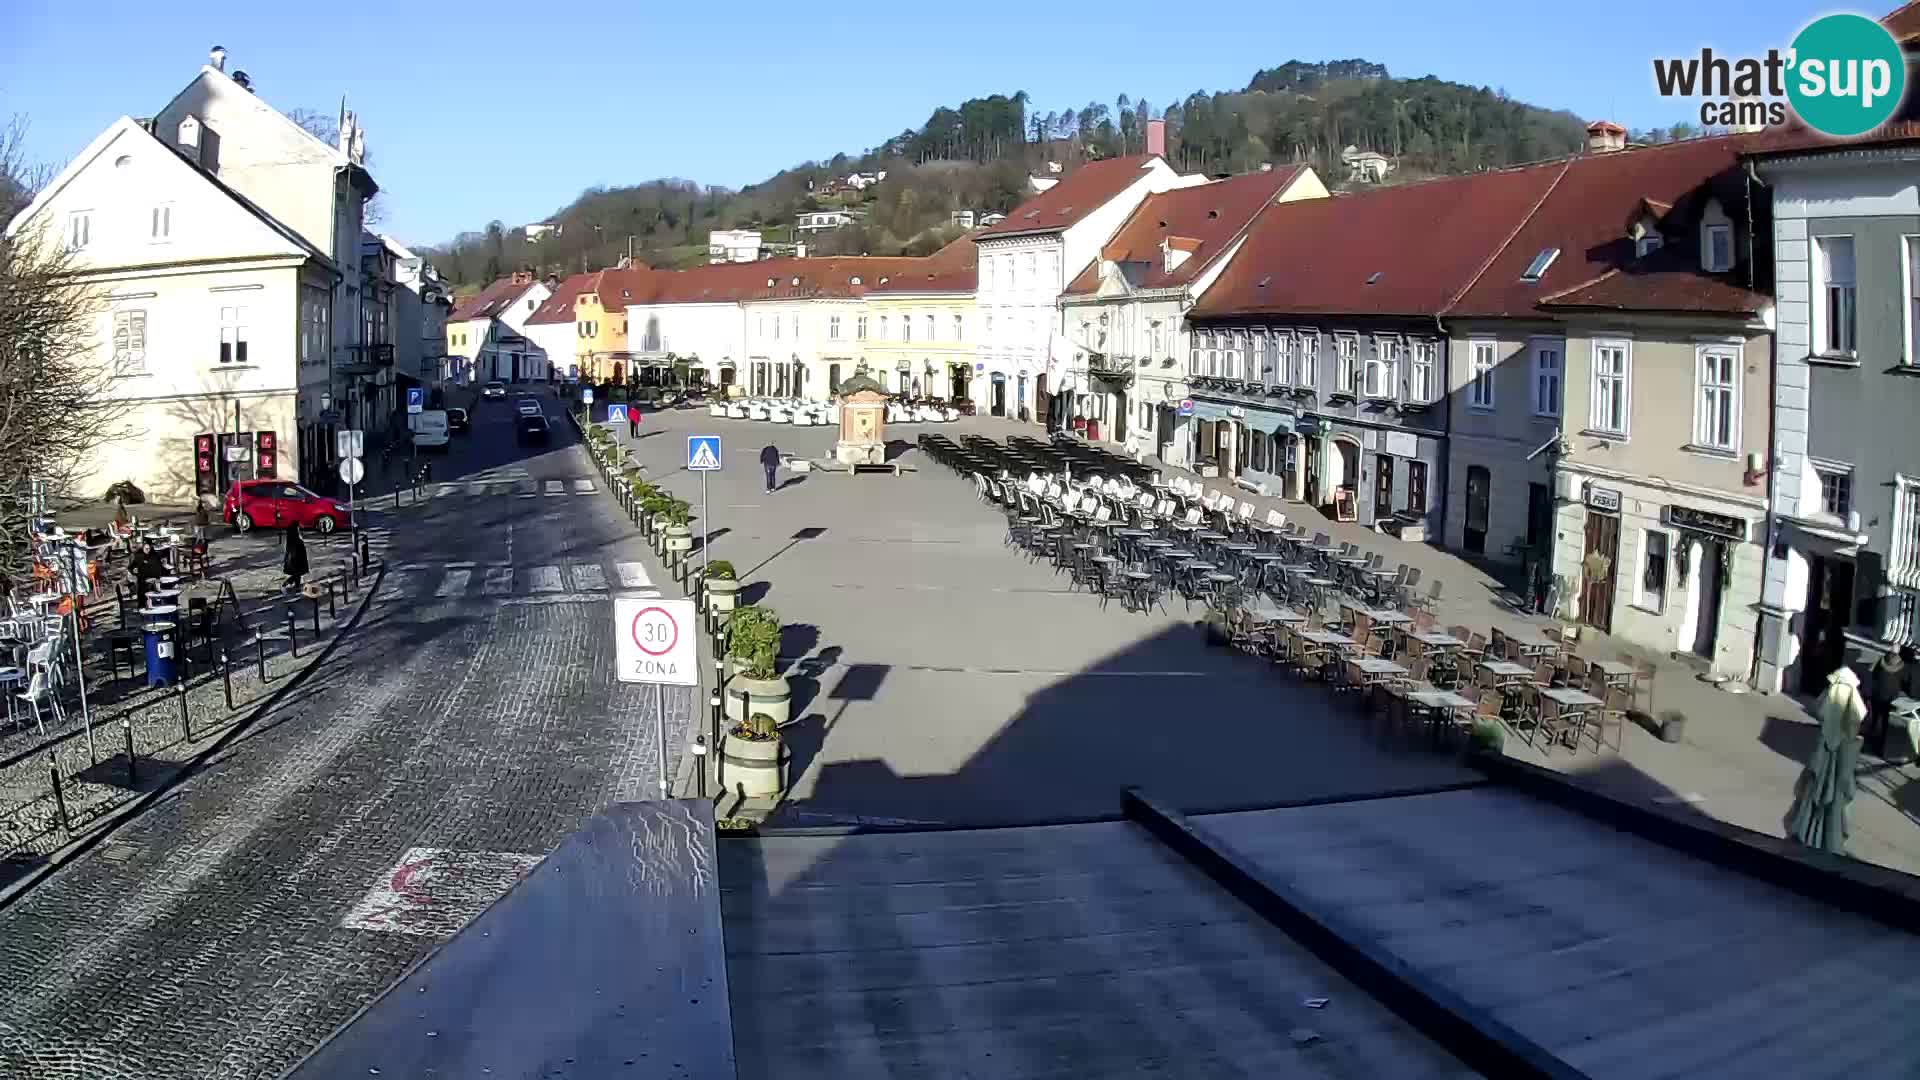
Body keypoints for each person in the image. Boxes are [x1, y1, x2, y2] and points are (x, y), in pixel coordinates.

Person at [1786, 664, 1867, 855]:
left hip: (1825, 756)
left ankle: (1810, 835)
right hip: (1841, 755)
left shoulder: (1823, 742)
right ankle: (1828, 842)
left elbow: (1820, 709)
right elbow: (1859, 714)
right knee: (1834, 804)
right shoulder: (1848, 745)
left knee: (1815, 795)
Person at [1867, 645, 1917, 757]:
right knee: (1885, 722)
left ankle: (1870, 736)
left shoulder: (1882, 660)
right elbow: (1906, 684)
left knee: (1874, 717)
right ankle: (1881, 745)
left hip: (1877, 694)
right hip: (1889, 698)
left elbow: (1873, 674)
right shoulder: (1903, 667)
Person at [282, 522, 309, 592]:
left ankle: (296, 586)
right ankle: (288, 584)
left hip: (295, 561)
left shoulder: (291, 540)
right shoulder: (297, 541)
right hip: (297, 561)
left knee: (297, 574)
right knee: (297, 574)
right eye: (298, 529)